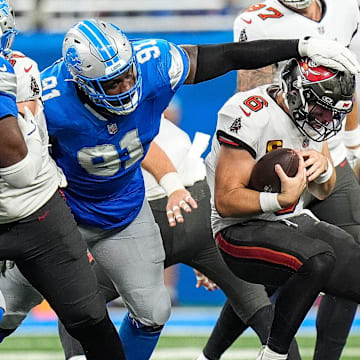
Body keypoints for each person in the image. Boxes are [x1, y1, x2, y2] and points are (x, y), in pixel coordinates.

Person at [36, 18, 360, 360]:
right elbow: (226, 201)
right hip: (78, 211)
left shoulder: (154, 65)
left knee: (155, 310)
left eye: (129, 72)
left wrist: (323, 171)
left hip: (139, 210)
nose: (127, 84)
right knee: (49, 302)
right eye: (113, 82)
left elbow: (225, 55)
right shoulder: (48, 102)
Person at [0, 115, 301, 359]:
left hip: (149, 211)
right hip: (198, 209)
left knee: (81, 303)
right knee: (259, 308)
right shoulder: (139, 102)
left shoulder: (74, 115)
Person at [196, 1, 360, 359]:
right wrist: (279, 201)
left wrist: (325, 168)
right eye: (321, 109)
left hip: (290, 219)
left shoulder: (316, 116)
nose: (326, 119)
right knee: (315, 259)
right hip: (240, 226)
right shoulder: (248, 114)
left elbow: (326, 189)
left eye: (333, 112)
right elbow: (226, 200)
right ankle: (272, 354)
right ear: (299, 91)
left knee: (348, 265)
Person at [0, 2, 127, 359]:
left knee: (88, 315)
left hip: (36, 208)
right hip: (25, 196)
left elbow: (25, 163)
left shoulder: (21, 68)